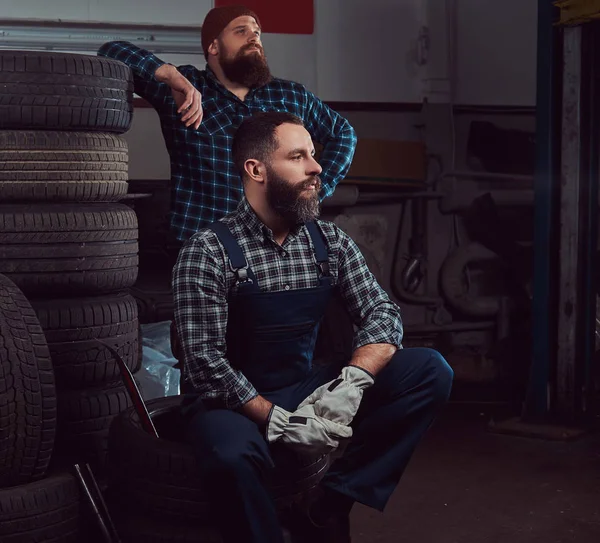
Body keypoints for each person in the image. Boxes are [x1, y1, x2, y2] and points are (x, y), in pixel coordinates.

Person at [172, 111, 454, 543]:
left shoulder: (330, 242)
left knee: (430, 370)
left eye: (314, 156)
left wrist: (354, 381)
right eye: (298, 157)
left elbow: (383, 312)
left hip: (304, 384)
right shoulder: (208, 251)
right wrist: (276, 421)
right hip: (229, 401)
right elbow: (203, 361)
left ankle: (330, 504)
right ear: (256, 169)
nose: (317, 167)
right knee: (229, 455)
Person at [98, 5, 356, 246]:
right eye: (241, 31)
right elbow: (111, 51)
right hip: (201, 241)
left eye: (257, 33)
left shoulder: (291, 96)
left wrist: (317, 191)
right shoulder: (181, 88)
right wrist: (168, 74)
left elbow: (343, 133)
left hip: (276, 243)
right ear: (214, 46)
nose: (254, 38)